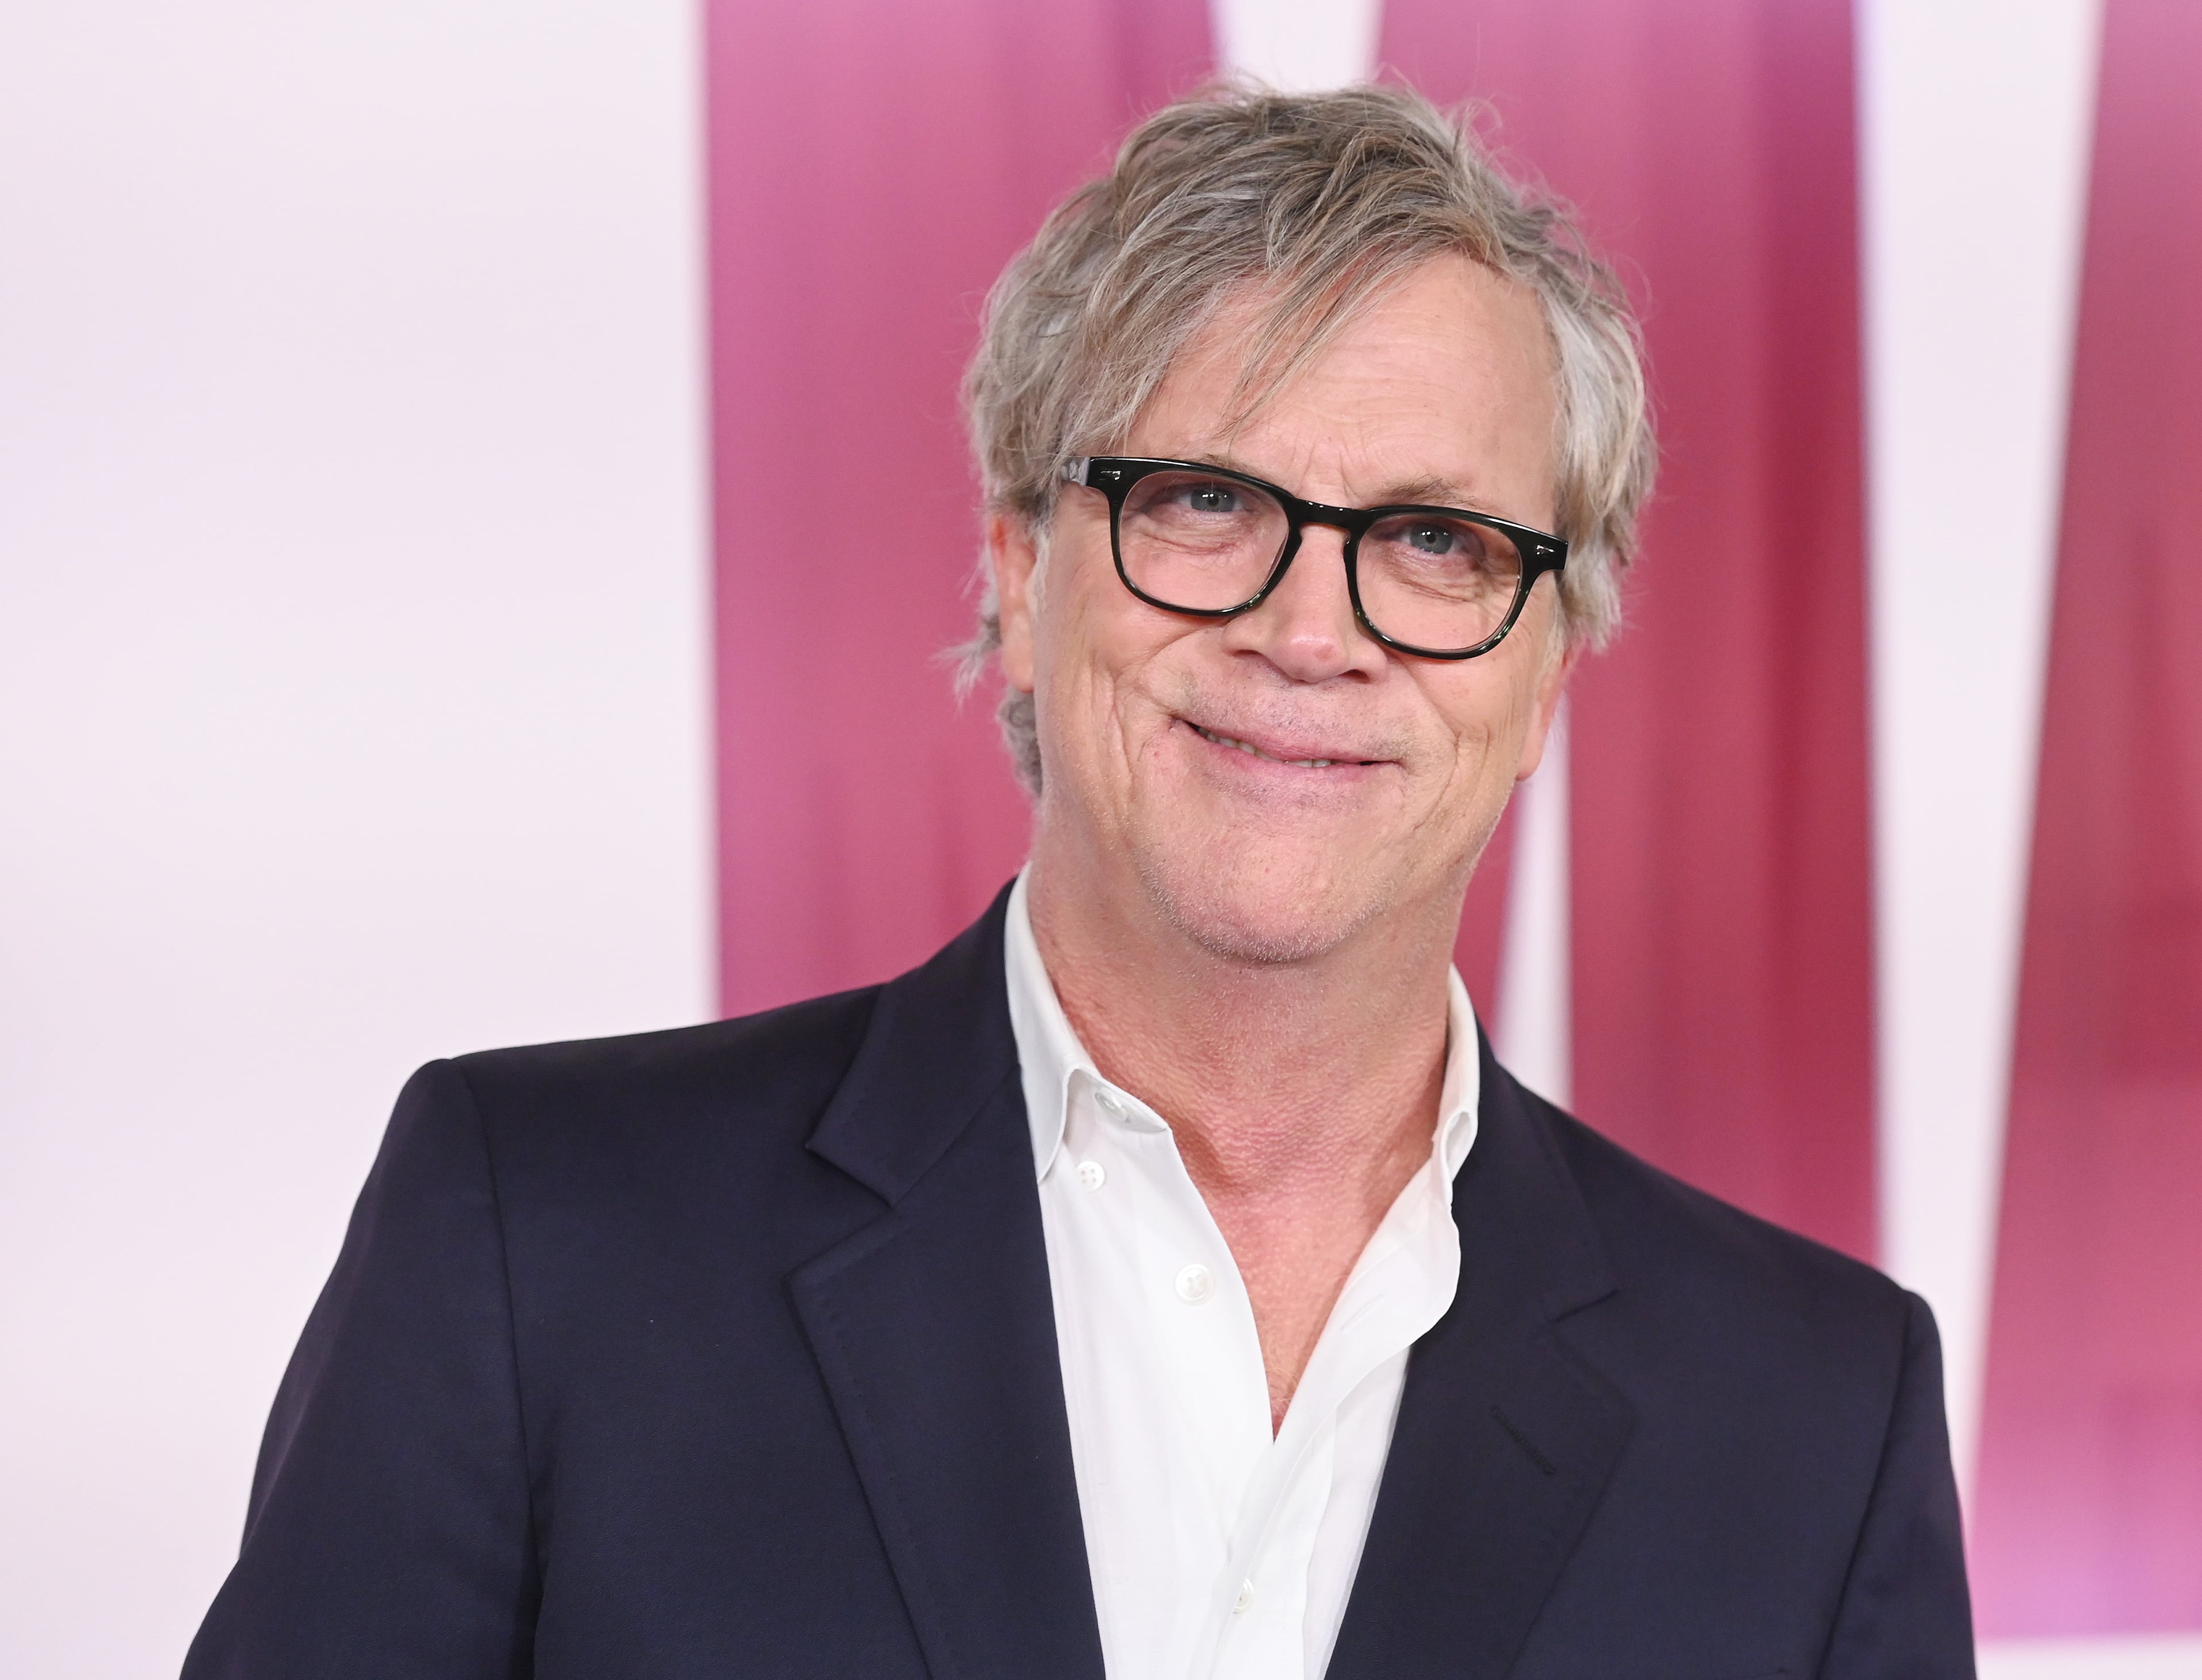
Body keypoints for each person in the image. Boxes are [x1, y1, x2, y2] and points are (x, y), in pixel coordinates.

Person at [183, 83, 1972, 1680]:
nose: (1304, 629)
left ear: (1545, 671)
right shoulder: (540, 1239)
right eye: (1202, 502)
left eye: (1433, 541)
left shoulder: (1811, 1420)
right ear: (1018, 569)